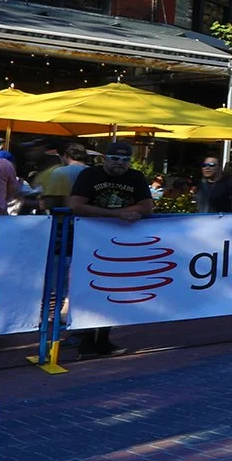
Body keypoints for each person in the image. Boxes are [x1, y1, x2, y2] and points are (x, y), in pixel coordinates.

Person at [66, 140, 156, 358]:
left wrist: (126, 212)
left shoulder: (135, 177)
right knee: (88, 287)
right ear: (104, 159)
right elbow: (75, 205)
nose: (120, 163)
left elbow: (147, 207)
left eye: (125, 160)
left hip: (120, 242)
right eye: (115, 158)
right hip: (88, 240)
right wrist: (117, 214)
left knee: (113, 288)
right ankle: (86, 341)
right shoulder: (90, 175)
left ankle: (103, 340)